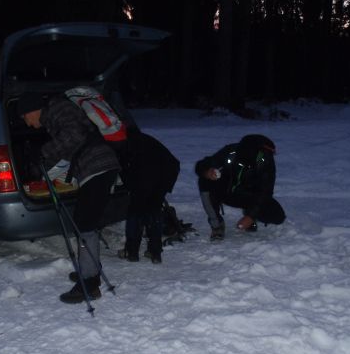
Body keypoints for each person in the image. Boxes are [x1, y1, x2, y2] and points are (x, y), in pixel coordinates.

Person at [17, 92, 120, 304]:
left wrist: (44, 153)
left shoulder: (58, 109)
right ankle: (89, 268)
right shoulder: (53, 117)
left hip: (97, 167)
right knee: (85, 222)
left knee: (85, 225)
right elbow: (68, 148)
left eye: (24, 116)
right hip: (97, 167)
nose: (25, 122)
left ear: (31, 110)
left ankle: (89, 283)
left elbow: (74, 136)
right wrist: (43, 170)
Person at [195, 134, 285, 240]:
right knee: (204, 180)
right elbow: (202, 164)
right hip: (226, 192)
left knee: (277, 215)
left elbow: (266, 191)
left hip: (248, 197)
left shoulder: (266, 161)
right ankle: (217, 225)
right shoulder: (231, 152)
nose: (265, 156)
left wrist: (251, 216)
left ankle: (249, 215)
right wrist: (207, 172)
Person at [117, 129, 180, 263]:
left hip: (149, 175)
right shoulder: (142, 139)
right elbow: (174, 163)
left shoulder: (122, 144)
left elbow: (123, 168)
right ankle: (155, 252)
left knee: (136, 212)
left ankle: (132, 251)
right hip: (165, 173)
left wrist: (129, 184)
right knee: (154, 211)